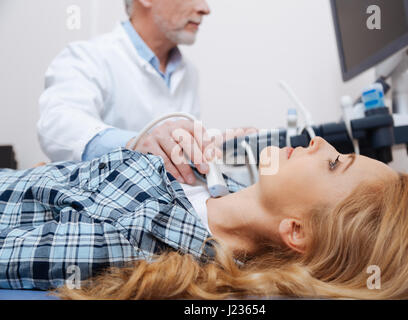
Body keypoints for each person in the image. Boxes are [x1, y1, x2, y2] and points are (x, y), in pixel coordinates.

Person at [0, 137, 408, 299]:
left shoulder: (135, 244)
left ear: (297, 231)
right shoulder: (211, 178)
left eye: (333, 163)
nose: (317, 141)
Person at [37, 0, 253, 185]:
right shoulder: (87, 57)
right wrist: (135, 144)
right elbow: (58, 125)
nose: (205, 8)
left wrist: (215, 147)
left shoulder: (188, 72)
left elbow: (178, 157)